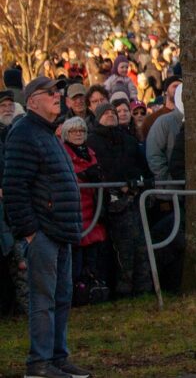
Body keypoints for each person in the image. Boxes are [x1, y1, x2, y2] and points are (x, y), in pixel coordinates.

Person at [2, 76, 91, 378]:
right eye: (49, 92)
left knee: (62, 297)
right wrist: (30, 232)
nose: (57, 96)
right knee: (43, 300)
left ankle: (57, 357)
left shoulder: (48, 134)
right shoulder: (24, 133)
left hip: (60, 230)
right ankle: (38, 364)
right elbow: (14, 187)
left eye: (58, 91)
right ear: (32, 101)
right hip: (43, 233)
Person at [86, 102, 152, 296]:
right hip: (111, 204)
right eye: (106, 113)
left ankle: (143, 289)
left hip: (135, 200)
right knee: (121, 250)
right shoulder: (92, 142)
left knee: (141, 247)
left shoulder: (129, 140)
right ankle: (122, 290)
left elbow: (143, 167)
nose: (111, 115)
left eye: (113, 113)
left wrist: (141, 181)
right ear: (98, 117)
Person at [59, 118, 108, 300]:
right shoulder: (63, 153)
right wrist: (83, 176)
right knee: (75, 260)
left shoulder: (91, 153)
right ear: (66, 134)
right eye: (73, 131)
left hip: (93, 210)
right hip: (75, 210)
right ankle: (73, 294)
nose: (78, 133)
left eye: (81, 130)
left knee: (93, 257)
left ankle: (91, 289)